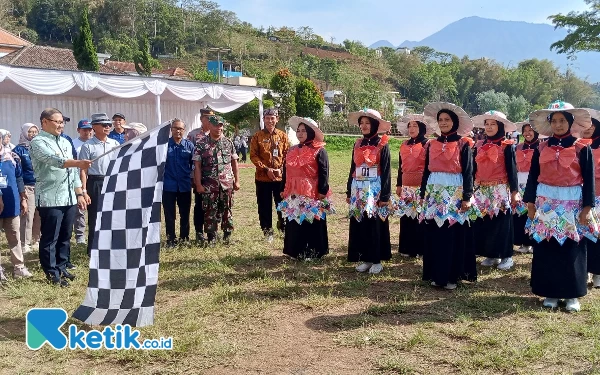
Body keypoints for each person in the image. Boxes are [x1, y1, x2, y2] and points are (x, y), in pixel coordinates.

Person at [524, 102, 596, 312]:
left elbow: (589, 179)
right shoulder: (541, 147)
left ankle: (572, 294)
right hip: (545, 202)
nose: (558, 124)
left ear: (570, 122)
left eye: (562, 120)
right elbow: (532, 176)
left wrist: (587, 207)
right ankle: (550, 292)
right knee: (547, 246)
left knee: (571, 247)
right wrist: (530, 203)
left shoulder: (582, 147)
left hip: (572, 203)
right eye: (554, 121)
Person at [30, 108, 91, 287]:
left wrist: (79, 193)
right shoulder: (38, 142)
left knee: (65, 235)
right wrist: (79, 163)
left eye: (62, 122)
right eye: (57, 121)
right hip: (50, 198)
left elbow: (73, 172)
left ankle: (62, 265)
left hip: (69, 197)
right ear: (45, 122)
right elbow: (53, 160)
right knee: (51, 237)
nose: (60, 125)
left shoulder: (65, 142)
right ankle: (52, 273)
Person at [420, 102, 477, 290]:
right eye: (441, 120)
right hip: (434, 194)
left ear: (455, 122)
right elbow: (426, 172)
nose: (443, 123)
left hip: (454, 194)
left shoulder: (463, 144)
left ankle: (452, 276)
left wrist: (467, 197)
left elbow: (469, 172)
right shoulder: (431, 144)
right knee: (435, 233)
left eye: (447, 120)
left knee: (451, 234)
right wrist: (423, 194)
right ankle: (435, 274)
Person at [278, 117, 333, 260]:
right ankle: (295, 250)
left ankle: (313, 251)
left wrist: (322, 190)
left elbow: (324, 172)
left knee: (311, 220)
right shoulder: (291, 150)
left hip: (311, 192)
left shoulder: (319, 150)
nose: (300, 133)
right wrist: (284, 188)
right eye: (298, 130)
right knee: (295, 220)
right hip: (293, 192)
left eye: (304, 131)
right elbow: (287, 171)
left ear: (310, 132)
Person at [471, 111, 519, 271]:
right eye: (487, 124)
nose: (489, 127)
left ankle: (507, 256)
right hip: (481, 189)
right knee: (485, 222)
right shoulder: (479, 145)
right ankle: (491, 254)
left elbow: (512, 170)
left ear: (500, 126)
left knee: (502, 223)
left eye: (493, 124)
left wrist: (514, 191)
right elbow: (473, 167)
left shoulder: (507, 145)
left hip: (500, 188)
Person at [346, 109, 392, 274]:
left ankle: (377, 259)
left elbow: (386, 171)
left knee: (375, 224)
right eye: (362, 123)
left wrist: (385, 195)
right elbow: (353, 168)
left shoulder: (382, 144)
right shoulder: (357, 143)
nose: (364, 126)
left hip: (376, 190)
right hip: (358, 188)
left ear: (374, 125)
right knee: (361, 223)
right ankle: (365, 258)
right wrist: (348, 190)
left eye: (367, 123)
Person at [193, 116, 240, 244]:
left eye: (221, 125)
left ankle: (227, 235)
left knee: (227, 209)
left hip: (226, 184)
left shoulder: (228, 143)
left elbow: (234, 162)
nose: (218, 128)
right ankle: (211, 236)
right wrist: (198, 184)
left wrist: (237, 181)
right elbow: (196, 166)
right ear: (209, 125)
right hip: (209, 184)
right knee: (210, 210)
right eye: (215, 125)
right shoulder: (201, 144)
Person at [78, 113, 120, 256]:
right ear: (94, 127)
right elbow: (83, 170)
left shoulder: (115, 144)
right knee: (95, 216)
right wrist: (84, 191)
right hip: (95, 182)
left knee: (112, 215)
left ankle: (111, 246)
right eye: (104, 125)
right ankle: (94, 249)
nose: (108, 127)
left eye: (109, 124)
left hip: (112, 181)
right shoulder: (87, 146)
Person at [395, 114, 435, 258]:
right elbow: (401, 167)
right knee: (406, 217)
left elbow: (430, 167)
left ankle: (421, 249)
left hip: (421, 187)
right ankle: (407, 247)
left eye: (415, 126)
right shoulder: (404, 145)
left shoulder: (428, 144)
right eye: (409, 126)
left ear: (422, 128)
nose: (411, 128)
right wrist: (399, 184)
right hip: (406, 186)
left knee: (421, 217)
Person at [250, 108, 289, 242]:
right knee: (264, 206)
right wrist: (266, 169)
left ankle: (283, 228)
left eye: (273, 118)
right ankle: (267, 231)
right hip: (263, 178)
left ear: (277, 119)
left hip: (280, 178)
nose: (270, 121)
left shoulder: (283, 136)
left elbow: (287, 155)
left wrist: (281, 170)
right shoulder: (257, 136)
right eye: (267, 118)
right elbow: (253, 156)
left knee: (282, 205)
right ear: (264, 120)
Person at [0, 137, 33, 281]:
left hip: (12, 203)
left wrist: (23, 199)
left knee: (15, 236)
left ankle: (18, 267)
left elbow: (19, 178)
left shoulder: (12, 157)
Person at [513, 120, 545, 254]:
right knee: (521, 213)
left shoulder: (542, 147)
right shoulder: (518, 147)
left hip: (535, 183)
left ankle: (534, 241)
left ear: (536, 132)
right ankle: (524, 242)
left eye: (530, 130)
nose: (527, 133)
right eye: (525, 131)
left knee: (534, 212)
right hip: (520, 182)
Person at [163, 119, 195, 247]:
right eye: (175, 128)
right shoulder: (164, 145)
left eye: (181, 129)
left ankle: (184, 238)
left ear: (184, 130)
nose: (178, 131)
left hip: (184, 185)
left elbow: (194, 165)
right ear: (171, 129)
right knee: (169, 214)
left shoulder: (189, 145)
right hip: (168, 186)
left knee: (185, 213)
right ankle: (170, 239)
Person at [12, 123, 41, 254]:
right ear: (24, 133)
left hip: (40, 185)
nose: (33, 134)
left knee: (39, 215)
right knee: (27, 215)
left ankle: (37, 240)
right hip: (27, 185)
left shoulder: (40, 147)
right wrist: (21, 190)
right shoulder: (18, 150)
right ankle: (25, 243)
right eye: (30, 132)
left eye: (35, 131)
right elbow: (17, 172)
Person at [188, 108, 213, 243]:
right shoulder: (193, 135)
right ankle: (199, 232)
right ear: (201, 119)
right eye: (206, 118)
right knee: (199, 205)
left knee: (212, 206)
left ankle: (211, 232)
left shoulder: (217, 133)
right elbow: (189, 156)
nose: (209, 120)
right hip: (199, 176)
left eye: (211, 118)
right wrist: (194, 178)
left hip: (213, 178)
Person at [581, 109, 600, 288]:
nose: (587, 128)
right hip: (581, 197)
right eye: (584, 125)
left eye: (591, 125)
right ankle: (584, 269)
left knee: (598, 236)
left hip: (599, 197)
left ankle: (597, 273)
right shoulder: (578, 146)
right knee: (584, 235)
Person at [70, 119, 94, 245]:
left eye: (89, 129)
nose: (87, 132)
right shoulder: (73, 143)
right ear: (78, 130)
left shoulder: (95, 143)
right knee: (80, 208)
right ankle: (80, 235)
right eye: (84, 130)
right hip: (78, 178)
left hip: (93, 177)